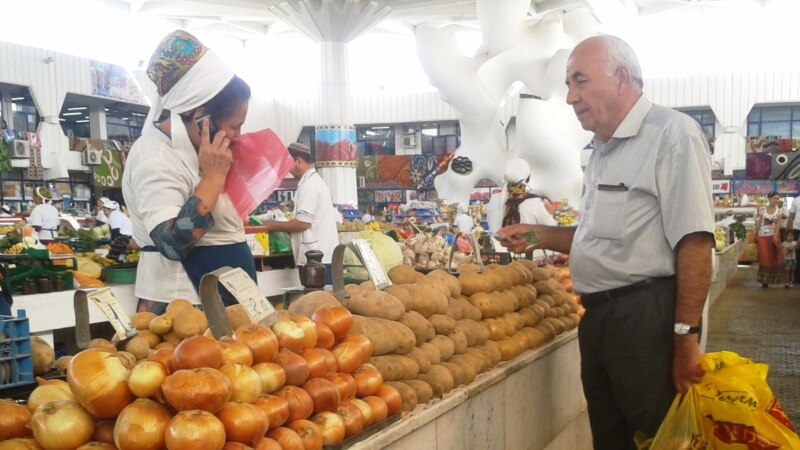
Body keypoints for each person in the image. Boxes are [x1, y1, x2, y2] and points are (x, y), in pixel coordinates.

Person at [497, 35, 714, 450]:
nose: (570, 97)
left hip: (644, 319)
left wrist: (686, 339)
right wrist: (539, 235)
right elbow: (597, 235)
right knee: (610, 437)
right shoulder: (600, 150)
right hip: (598, 318)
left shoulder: (672, 136)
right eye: (568, 85)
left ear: (622, 78)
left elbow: (695, 245)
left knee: (658, 436)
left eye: (579, 82)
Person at [122, 30, 256, 313]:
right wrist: (213, 178)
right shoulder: (154, 156)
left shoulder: (204, 154)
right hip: (184, 305)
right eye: (234, 126)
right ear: (202, 118)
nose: (239, 136)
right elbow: (171, 244)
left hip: (227, 295)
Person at [261, 142, 339, 283]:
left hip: (316, 260)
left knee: (318, 301)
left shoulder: (309, 185)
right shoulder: (312, 182)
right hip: (319, 258)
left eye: (289, 165)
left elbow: (303, 223)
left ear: (298, 161)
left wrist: (271, 226)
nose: (289, 171)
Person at [486, 158, 557, 233]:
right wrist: (550, 213)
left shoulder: (494, 199)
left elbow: (491, 224)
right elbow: (552, 228)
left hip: (496, 243)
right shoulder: (534, 202)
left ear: (506, 176)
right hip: (525, 244)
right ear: (527, 178)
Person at [755, 192, 784, 288]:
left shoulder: (779, 211)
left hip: (773, 237)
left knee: (773, 258)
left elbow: (778, 225)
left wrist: (776, 235)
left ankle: (772, 279)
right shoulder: (763, 209)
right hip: (763, 236)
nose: (776, 200)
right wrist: (756, 234)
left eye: (777, 198)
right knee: (764, 257)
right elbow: (759, 223)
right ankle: (764, 280)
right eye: (774, 198)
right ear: (769, 198)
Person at [787, 195, 800, 283]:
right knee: (796, 253)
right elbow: (791, 216)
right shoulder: (796, 200)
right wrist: (788, 229)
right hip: (796, 230)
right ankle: (796, 277)